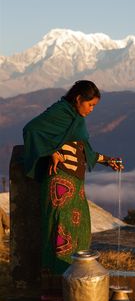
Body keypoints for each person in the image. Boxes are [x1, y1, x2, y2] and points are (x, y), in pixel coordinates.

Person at [23, 80, 124, 275]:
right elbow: (32, 129)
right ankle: (56, 287)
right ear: (78, 99)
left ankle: (73, 282)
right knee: (61, 232)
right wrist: (51, 151)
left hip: (75, 184)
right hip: (60, 183)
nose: (92, 109)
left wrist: (107, 160)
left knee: (80, 230)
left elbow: (80, 148)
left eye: (94, 105)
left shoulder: (75, 118)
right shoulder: (61, 111)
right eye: (90, 104)